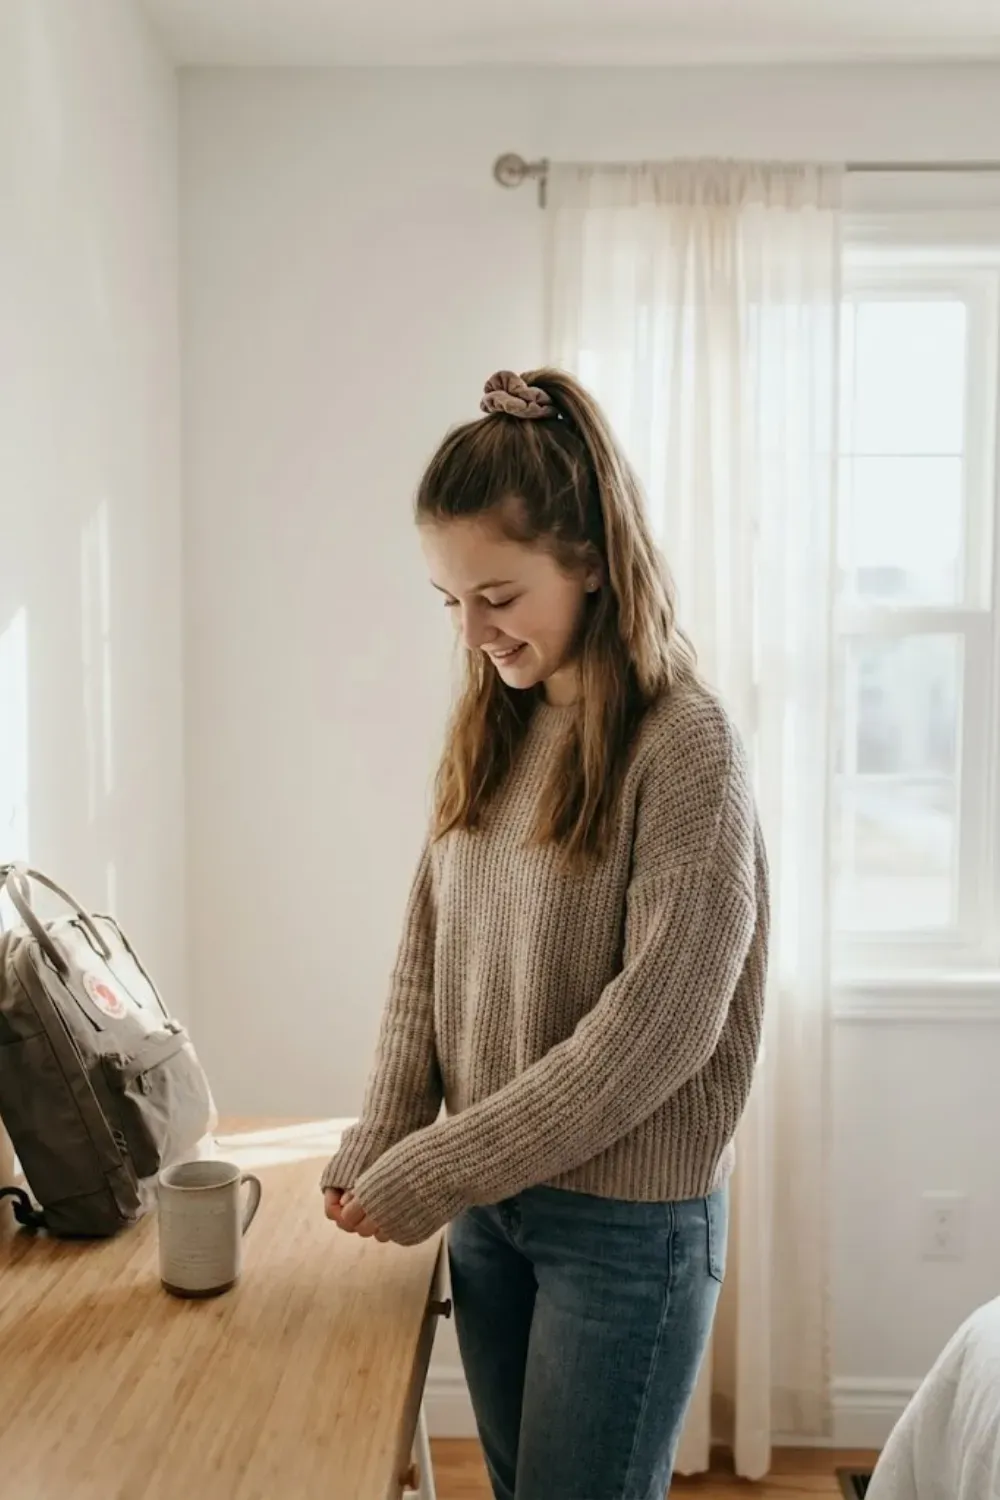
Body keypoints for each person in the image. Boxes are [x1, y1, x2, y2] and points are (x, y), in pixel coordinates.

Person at [321, 368, 768, 1500]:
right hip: (493, 1209)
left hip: (624, 1231)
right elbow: (430, 941)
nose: (472, 633)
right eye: (447, 601)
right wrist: (384, 1129)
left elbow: (654, 1034)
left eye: (499, 597)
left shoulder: (686, 747)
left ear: (589, 562)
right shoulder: (496, 720)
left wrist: (438, 1161)